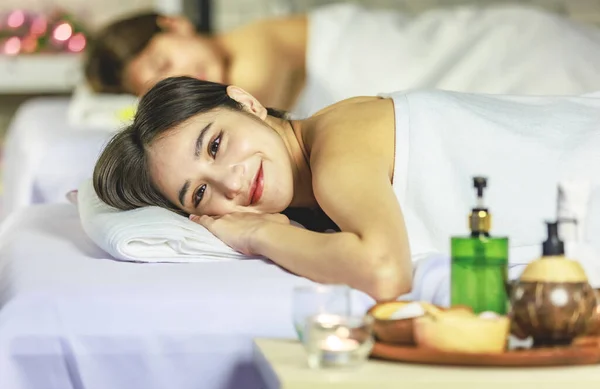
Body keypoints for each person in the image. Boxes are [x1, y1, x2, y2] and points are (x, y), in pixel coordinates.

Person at [93, 76, 600, 301]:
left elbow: (384, 272)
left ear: (245, 102)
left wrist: (256, 235)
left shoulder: (338, 148)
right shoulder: (320, 190)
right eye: (200, 194)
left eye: (217, 144)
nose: (232, 182)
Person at [84, 4, 600, 117]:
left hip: (500, 57)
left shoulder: (254, 63)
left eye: (163, 59)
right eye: (154, 83)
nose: (178, 79)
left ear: (175, 25)